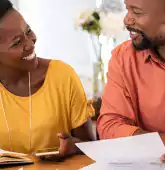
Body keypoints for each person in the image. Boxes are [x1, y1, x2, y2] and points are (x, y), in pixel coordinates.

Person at [0, 0, 95, 159]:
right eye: (17, 42)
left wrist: (74, 146)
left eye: (28, 31)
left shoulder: (62, 76)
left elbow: (91, 146)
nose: (30, 43)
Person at [97, 0, 165, 166]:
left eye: (137, 12)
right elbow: (110, 127)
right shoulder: (123, 58)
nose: (127, 20)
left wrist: (146, 143)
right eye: (127, 9)